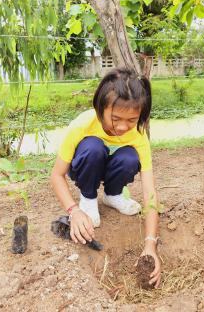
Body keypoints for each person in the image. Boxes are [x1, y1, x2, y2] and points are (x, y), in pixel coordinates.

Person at [50, 67, 161, 287]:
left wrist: (150, 245)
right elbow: (56, 175)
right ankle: (89, 198)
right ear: (101, 108)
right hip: (88, 166)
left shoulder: (139, 136)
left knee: (130, 157)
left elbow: (149, 192)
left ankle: (113, 195)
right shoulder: (83, 125)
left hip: (114, 171)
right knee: (93, 147)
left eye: (131, 120)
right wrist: (74, 211)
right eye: (116, 118)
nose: (122, 126)